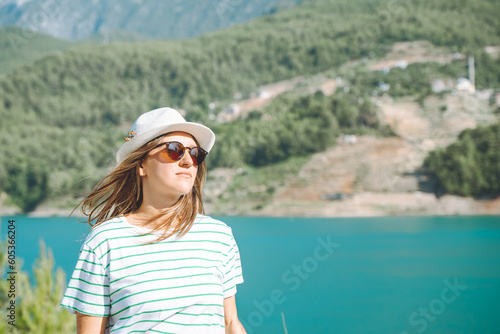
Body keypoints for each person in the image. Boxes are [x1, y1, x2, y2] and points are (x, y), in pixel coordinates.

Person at [61, 107, 246, 334]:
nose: (189, 161)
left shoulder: (219, 236)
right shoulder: (105, 242)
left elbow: (230, 324)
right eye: (174, 150)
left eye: (196, 153)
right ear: (141, 165)